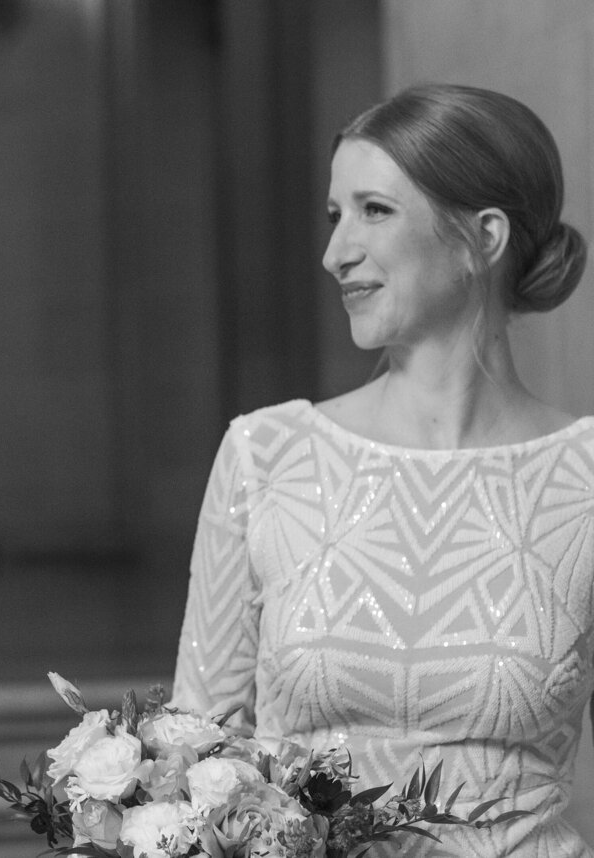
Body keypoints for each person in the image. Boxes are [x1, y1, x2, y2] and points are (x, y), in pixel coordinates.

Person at [173, 83, 593, 857]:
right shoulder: (266, 455)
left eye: (374, 210)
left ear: (484, 237)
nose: (336, 253)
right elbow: (195, 755)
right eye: (336, 216)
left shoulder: (587, 477)